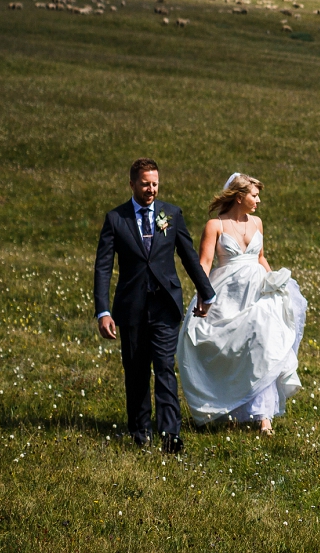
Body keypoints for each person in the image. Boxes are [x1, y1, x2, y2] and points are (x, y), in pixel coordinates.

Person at [93, 157, 217, 452]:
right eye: (146, 184)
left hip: (165, 305)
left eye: (155, 184)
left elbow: (188, 256)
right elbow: (103, 267)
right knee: (135, 369)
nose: (151, 190)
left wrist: (206, 293)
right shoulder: (116, 219)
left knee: (164, 367)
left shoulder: (171, 214)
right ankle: (139, 430)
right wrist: (103, 310)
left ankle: (170, 434)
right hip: (131, 306)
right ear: (133, 184)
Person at [177, 173, 307, 435]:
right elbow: (204, 263)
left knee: (265, 345)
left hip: (258, 291)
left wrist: (274, 282)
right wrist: (203, 296)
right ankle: (228, 406)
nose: (258, 200)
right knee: (232, 348)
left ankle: (264, 418)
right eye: (254, 195)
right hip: (228, 292)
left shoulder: (257, 222)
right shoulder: (215, 225)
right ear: (239, 197)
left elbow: (260, 257)